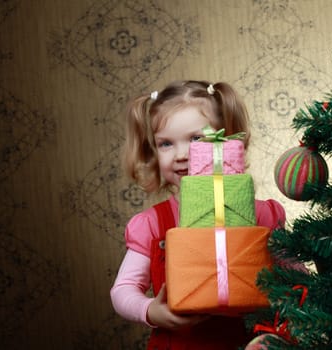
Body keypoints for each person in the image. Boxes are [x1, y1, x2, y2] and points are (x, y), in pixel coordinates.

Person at [110, 80, 286, 349]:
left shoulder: (262, 214)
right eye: (165, 144)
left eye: (196, 139)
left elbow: (298, 279)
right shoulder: (152, 224)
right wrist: (151, 311)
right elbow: (122, 290)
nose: (181, 154)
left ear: (228, 140)